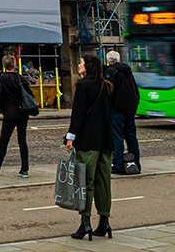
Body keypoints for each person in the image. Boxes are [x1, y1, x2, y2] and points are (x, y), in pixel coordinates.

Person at [66, 52, 115, 241]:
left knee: (85, 182)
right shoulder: (106, 85)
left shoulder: (83, 86)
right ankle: (104, 222)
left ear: (88, 66)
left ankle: (85, 222)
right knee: (104, 182)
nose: (79, 65)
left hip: (88, 141)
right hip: (105, 141)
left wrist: (70, 137)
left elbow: (78, 114)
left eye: (81, 63)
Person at [0, 55, 31, 178]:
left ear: (4, 65)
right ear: (14, 65)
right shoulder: (20, 78)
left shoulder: (3, 78)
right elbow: (29, 93)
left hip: (9, 114)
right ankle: (24, 169)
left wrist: (3, 108)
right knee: (22, 141)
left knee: (3, 143)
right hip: (22, 113)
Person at [106, 50, 142, 175]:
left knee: (117, 137)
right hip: (130, 108)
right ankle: (136, 162)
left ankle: (118, 164)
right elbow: (135, 90)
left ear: (109, 60)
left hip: (117, 109)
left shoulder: (111, 72)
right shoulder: (128, 71)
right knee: (131, 136)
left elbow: (109, 92)